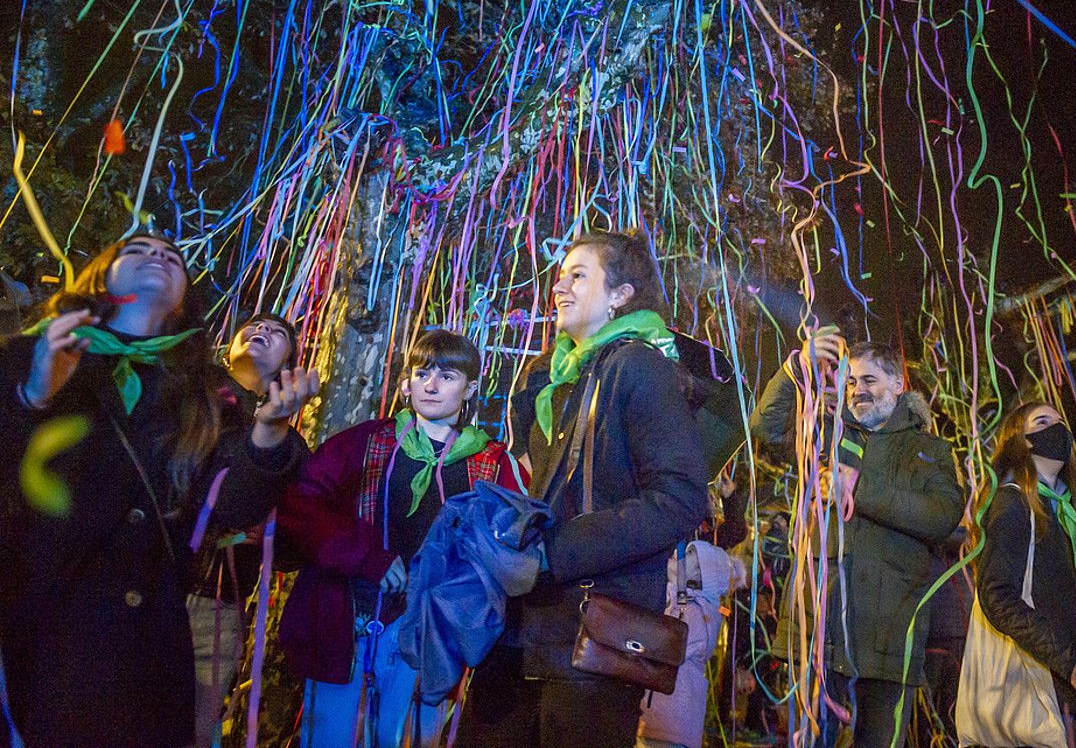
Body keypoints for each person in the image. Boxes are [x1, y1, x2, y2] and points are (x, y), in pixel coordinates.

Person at [0, 234, 316, 747]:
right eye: (139, 249)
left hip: (144, 644)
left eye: (172, 258)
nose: (159, 258)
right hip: (35, 626)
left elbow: (231, 503)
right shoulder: (30, 353)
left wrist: (271, 431)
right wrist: (33, 393)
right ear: (101, 275)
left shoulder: (206, 396)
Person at [461, 229, 710, 748]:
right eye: (560, 276)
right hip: (520, 630)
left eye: (579, 275)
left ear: (621, 295)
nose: (559, 287)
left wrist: (555, 552)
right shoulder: (553, 382)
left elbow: (681, 496)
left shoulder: (640, 368)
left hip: (591, 636)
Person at [277, 329, 521, 748]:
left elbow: (510, 553)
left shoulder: (493, 463)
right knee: (330, 737)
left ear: (471, 388)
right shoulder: (369, 441)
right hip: (350, 626)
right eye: (422, 372)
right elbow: (301, 505)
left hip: (432, 640)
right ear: (406, 381)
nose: (431, 384)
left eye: (447, 375)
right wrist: (364, 555)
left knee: (408, 739)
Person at [750, 331, 964, 748]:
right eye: (850, 381)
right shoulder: (824, 433)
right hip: (819, 633)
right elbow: (764, 427)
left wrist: (859, 488)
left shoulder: (929, 451)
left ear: (898, 384)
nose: (857, 390)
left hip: (890, 636)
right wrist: (798, 367)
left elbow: (942, 517)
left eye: (869, 380)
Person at [960, 400, 1076, 748]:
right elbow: (998, 597)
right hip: (1037, 699)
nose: (1059, 428)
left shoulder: (1064, 512)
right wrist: (1072, 662)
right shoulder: (1012, 504)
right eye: (1044, 421)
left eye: (1061, 420)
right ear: (1021, 441)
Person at [187, 312, 304, 746]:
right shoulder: (189, 397)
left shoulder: (290, 444)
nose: (261, 331)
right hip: (153, 580)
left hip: (219, 606)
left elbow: (298, 538)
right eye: (253, 327)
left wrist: (274, 534)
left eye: (276, 333)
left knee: (195, 730)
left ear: (288, 361)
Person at [635, 540, 747, 748]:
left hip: (671, 716)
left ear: (701, 577)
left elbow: (666, 646)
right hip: (665, 715)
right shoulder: (693, 608)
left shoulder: (695, 612)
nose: (682, 565)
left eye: (690, 563)